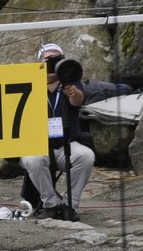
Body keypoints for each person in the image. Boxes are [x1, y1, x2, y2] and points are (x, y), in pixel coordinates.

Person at [19, 42, 131, 222]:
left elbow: (78, 101)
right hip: (38, 143)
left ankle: (69, 204)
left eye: (57, 58)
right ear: (39, 62)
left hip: (66, 143)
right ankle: (51, 204)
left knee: (86, 156)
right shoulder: (29, 83)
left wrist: (72, 91)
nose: (52, 62)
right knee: (34, 159)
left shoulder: (69, 79)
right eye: (48, 58)